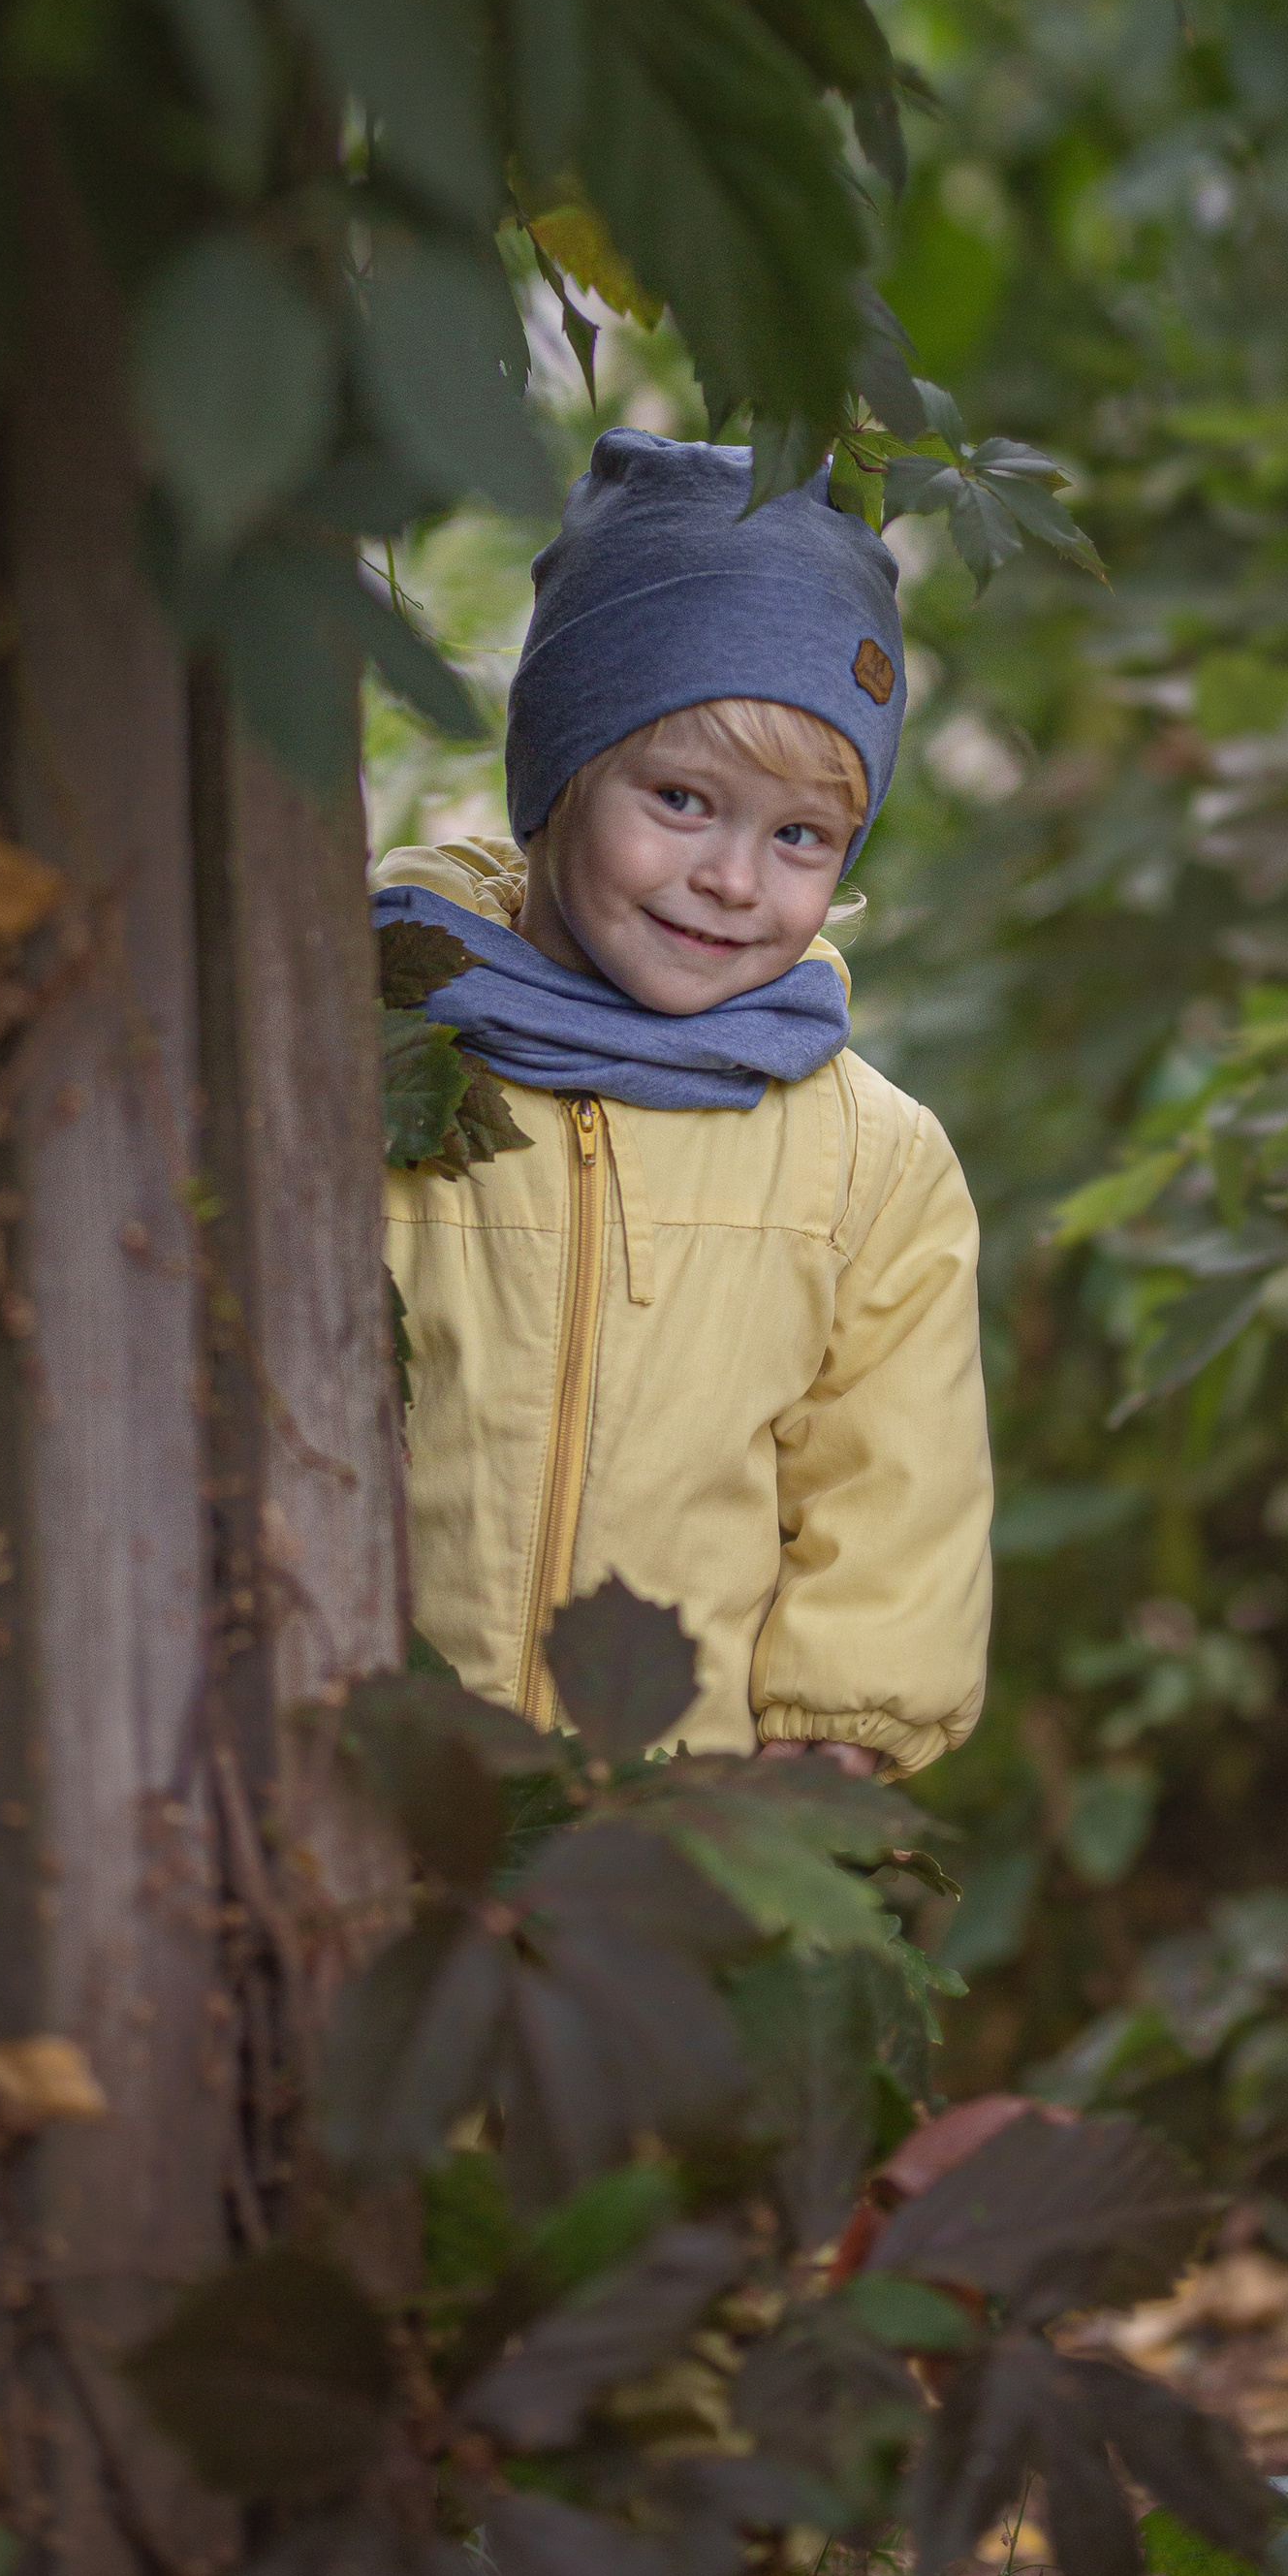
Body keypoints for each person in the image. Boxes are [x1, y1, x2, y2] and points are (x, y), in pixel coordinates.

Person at [373, 427, 991, 1774]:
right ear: (556, 776)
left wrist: (810, 1784)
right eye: (680, 798)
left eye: (800, 836)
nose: (730, 877)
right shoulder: (375, 1059)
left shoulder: (867, 1162)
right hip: (359, 1799)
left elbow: (894, 1503)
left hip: (666, 1846)